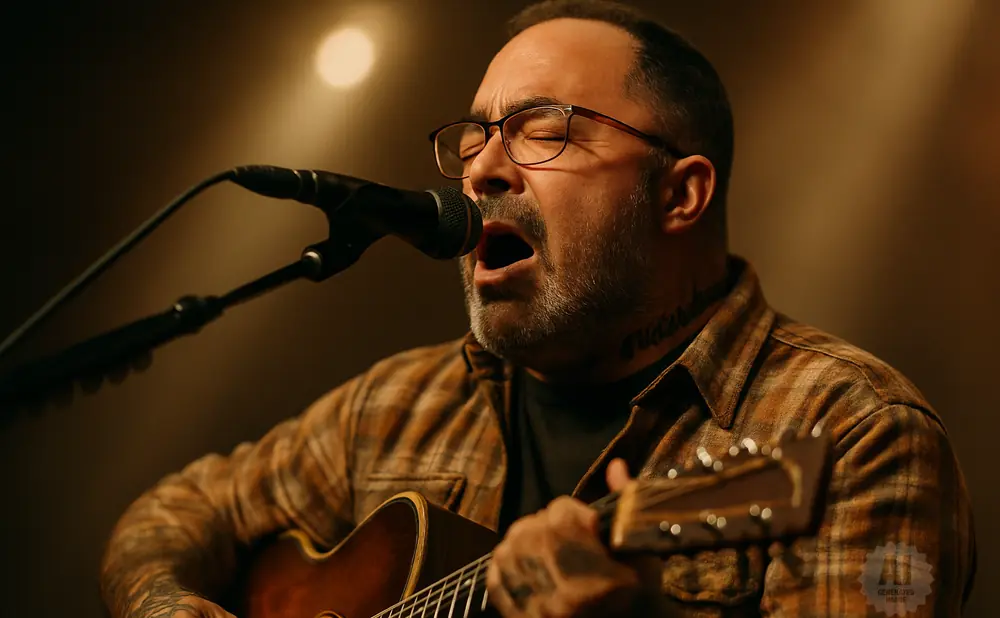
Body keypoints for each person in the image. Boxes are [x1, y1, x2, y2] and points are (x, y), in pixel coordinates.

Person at [98, 1, 977, 616]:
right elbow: (175, 514)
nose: (481, 168)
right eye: (478, 132)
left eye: (543, 127)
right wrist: (166, 603)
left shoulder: (851, 428)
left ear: (680, 195)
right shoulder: (397, 408)